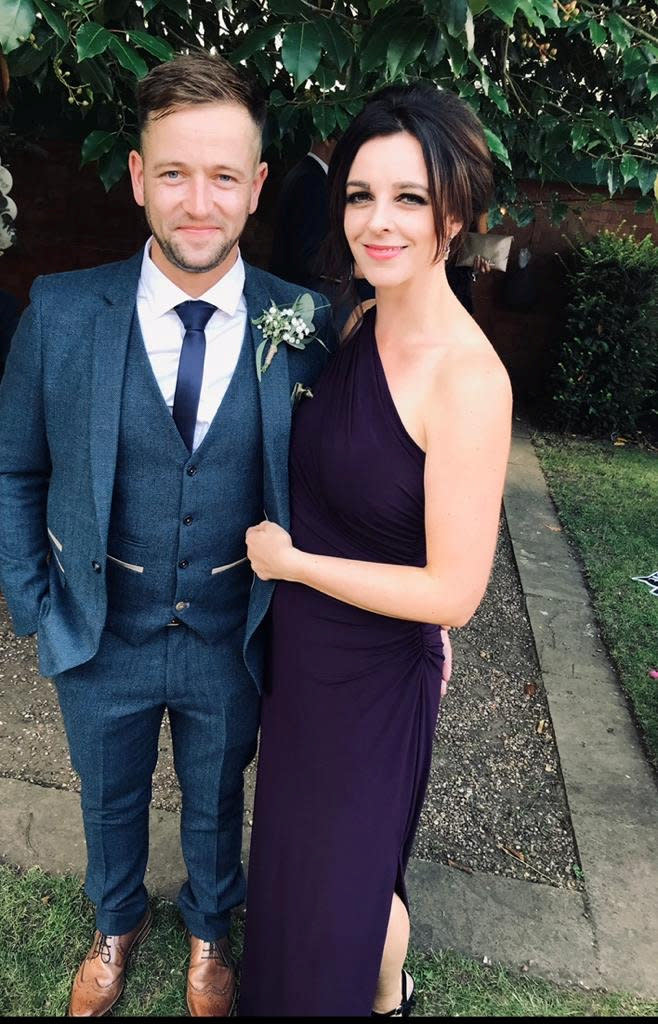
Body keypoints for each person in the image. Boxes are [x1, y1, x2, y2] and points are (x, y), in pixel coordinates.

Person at [0, 52, 334, 1017]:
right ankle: (114, 923)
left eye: (224, 175)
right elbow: (15, 467)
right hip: (99, 631)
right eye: (176, 172)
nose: (200, 201)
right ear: (141, 176)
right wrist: (32, 600)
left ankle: (205, 933)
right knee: (105, 795)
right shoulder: (62, 313)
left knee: (217, 795)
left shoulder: (301, 323)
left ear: (258, 186)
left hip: (232, 631)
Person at [239, 83, 512, 1017]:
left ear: (458, 211)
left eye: (409, 198)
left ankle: (379, 992)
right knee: (290, 863)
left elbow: (455, 592)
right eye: (361, 195)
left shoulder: (471, 380)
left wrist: (297, 565)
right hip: (303, 662)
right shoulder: (356, 322)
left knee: (340, 891)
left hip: (372, 680)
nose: (378, 221)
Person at [269, 137, 337, 291]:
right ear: (327, 140)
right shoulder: (311, 181)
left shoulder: (306, 173)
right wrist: (352, 270)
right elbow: (308, 254)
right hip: (302, 294)